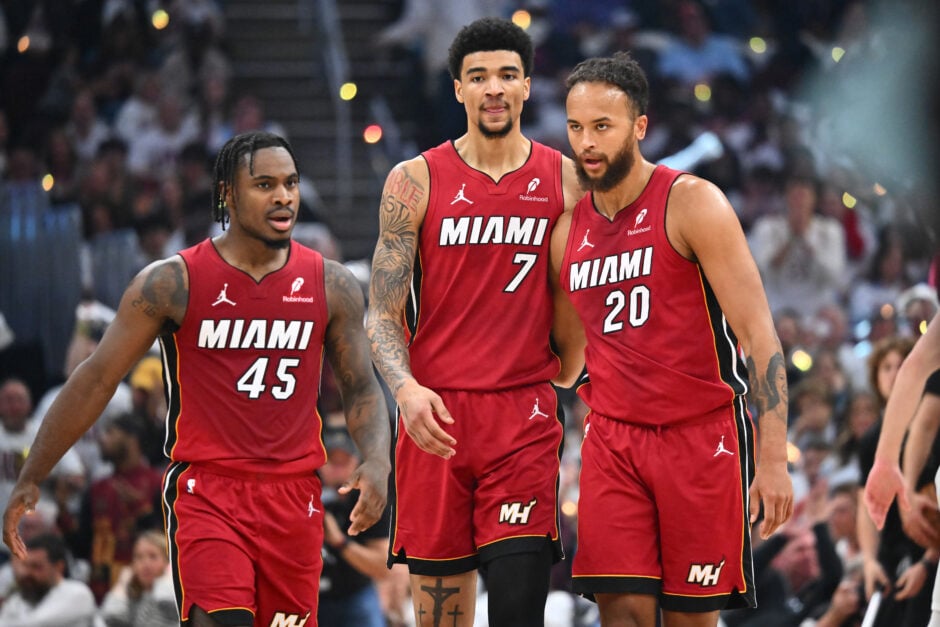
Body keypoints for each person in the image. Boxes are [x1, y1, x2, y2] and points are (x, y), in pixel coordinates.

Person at [2, 130, 391, 627]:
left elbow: (361, 386)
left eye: (291, 183)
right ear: (228, 193)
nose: (283, 196)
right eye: (265, 184)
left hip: (294, 495)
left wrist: (378, 459)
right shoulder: (171, 282)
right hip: (210, 493)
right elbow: (95, 380)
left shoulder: (331, 283)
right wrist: (33, 473)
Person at [559, 52, 792, 626]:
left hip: (700, 435)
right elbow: (566, 361)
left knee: (691, 619)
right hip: (612, 439)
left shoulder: (692, 202)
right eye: (576, 127)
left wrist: (773, 458)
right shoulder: (568, 229)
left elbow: (759, 335)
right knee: (623, 613)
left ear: (639, 126)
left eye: (602, 127)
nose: (586, 142)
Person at [366, 17, 585, 627]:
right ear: (457, 88)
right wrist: (405, 390)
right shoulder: (412, 181)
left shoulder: (566, 180)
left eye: (507, 76)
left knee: (519, 609)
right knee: (443, 616)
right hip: (432, 415)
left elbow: (579, 298)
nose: (494, 88)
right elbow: (381, 312)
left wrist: (569, 369)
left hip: (522, 418)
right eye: (479, 76)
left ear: (527, 86)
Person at [865, 313, 940, 626]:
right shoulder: (871, 435)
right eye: (886, 367)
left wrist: (886, 462)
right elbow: (915, 368)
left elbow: (915, 367)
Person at [318, 426, 391, 626]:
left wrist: (339, 541)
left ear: (356, 463)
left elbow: (382, 568)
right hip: (308, 594)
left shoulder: (369, 499)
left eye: (344, 461)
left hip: (353, 593)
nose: (337, 468)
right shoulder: (304, 491)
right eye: (332, 461)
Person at [0, 532, 98, 626]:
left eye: (36, 566)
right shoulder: (18, 600)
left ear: (58, 567)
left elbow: (36, 624)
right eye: (26, 566)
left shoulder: (78, 593)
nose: (28, 573)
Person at [98, 529, 179, 627]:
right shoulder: (132, 599)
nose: (146, 564)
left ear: (167, 562)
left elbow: (167, 600)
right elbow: (111, 617)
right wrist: (122, 584)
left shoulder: (174, 598)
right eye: (139, 557)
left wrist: (169, 576)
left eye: (153, 556)